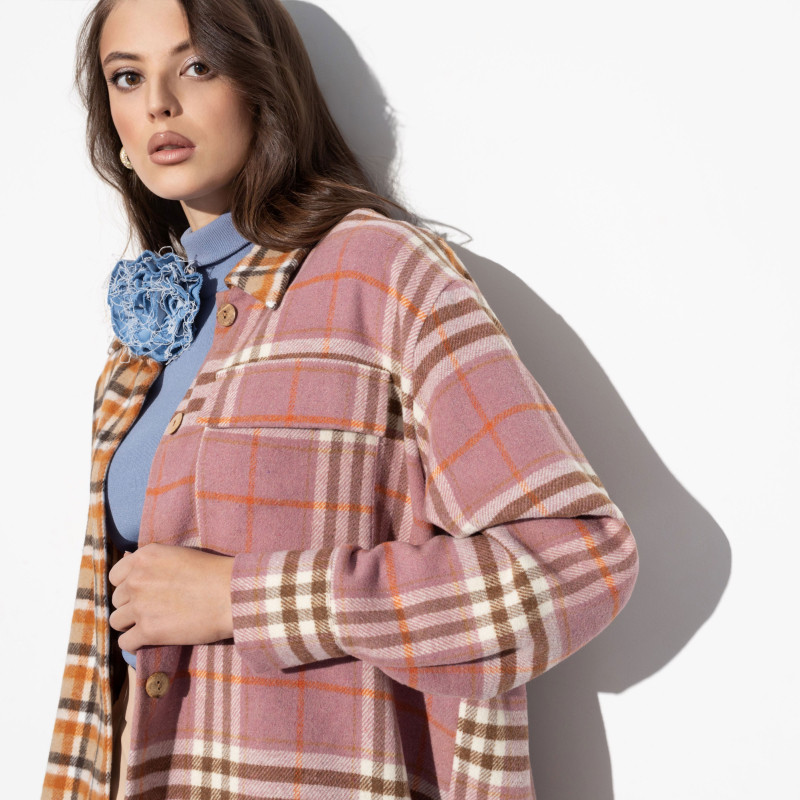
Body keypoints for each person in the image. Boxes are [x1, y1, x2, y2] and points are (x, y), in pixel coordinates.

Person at [41, 1, 640, 798]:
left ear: (261, 83)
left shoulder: (382, 274)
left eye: (196, 66)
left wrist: (241, 599)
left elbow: (579, 558)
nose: (158, 103)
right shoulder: (146, 334)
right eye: (127, 77)